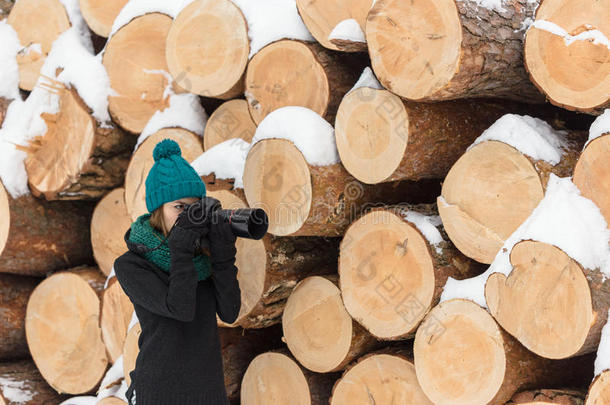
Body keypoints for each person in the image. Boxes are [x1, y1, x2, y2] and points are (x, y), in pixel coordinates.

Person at [113, 138, 241, 404]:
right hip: (161, 392)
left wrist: (222, 254)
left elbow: (230, 312)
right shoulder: (131, 264)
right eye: (178, 207)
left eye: (193, 208)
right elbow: (180, 308)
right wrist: (181, 249)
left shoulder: (200, 259)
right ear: (158, 209)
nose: (186, 215)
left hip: (209, 392)